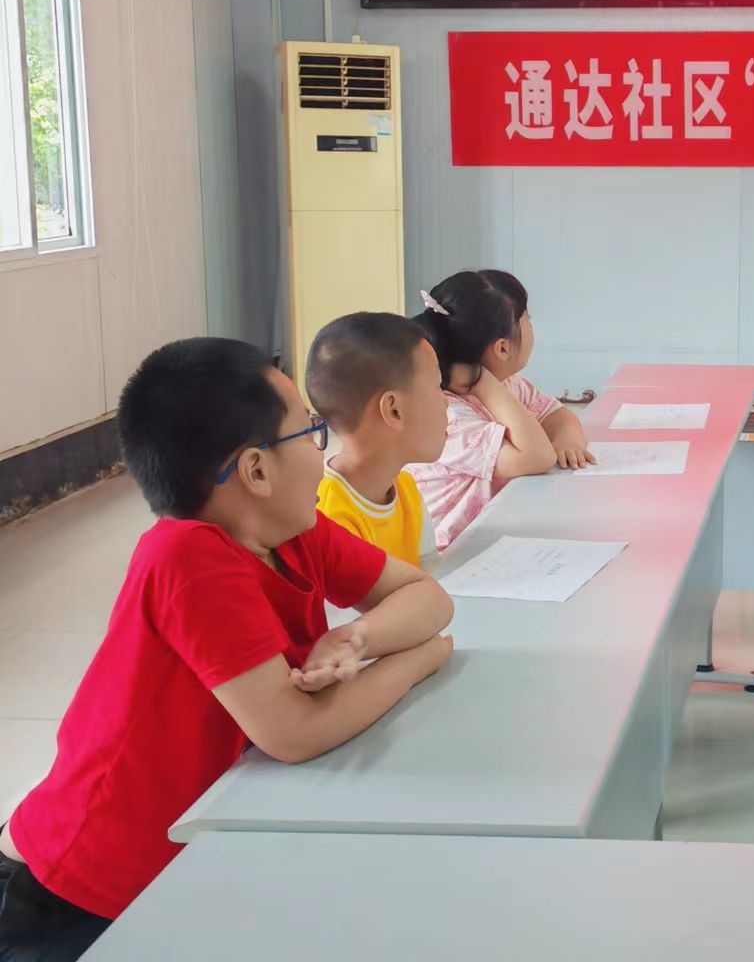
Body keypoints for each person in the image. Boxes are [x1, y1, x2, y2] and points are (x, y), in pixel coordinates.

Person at [0, 338, 454, 960]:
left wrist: (358, 636)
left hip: (179, 847)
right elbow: (292, 731)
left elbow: (428, 598)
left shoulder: (293, 532)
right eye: (310, 432)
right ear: (256, 471)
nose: (321, 453)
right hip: (71, 889)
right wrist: (415, 660)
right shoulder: (187, 556)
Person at [406, 269, 594, 550]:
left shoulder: (508, 384)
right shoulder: (447, 415)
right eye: (528, 319)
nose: (531, 327)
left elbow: (557, 415)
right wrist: (484, 383)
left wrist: (568, 440)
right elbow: (537, 457)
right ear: (503, 348)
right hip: (451, 555)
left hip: (495, 531)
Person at [307, 312, 450, 567]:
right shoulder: (330, 519)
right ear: (394, 410)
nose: (446, 400)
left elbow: (432, 574)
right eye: (438, 386)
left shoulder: (406, 489)